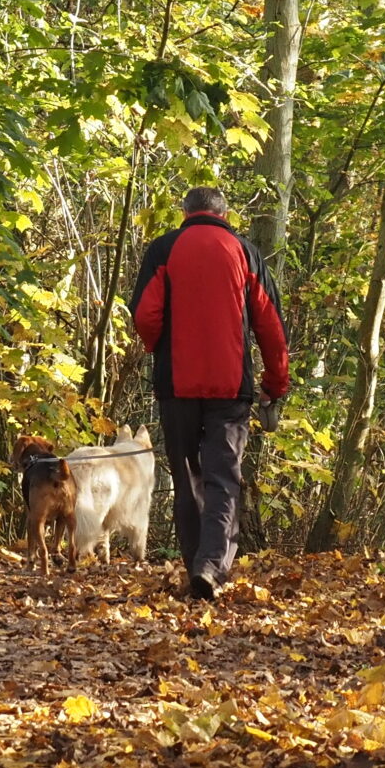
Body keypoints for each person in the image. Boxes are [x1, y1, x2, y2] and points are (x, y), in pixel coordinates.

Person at [128, 187, 291, 602]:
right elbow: (271, 327)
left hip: (176, 385)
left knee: (186, 478)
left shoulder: (163, 248)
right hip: (230, 386)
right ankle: (211, 567)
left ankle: (195, 568)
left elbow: (145, 315)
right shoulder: (245, 251)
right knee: (223, 477)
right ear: (224, 213)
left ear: (185, 212)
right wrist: (276, 384)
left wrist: (160, 346)